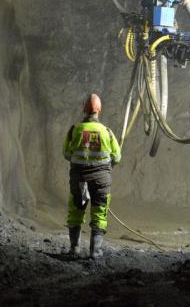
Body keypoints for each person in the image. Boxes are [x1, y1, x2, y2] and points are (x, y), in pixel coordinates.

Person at [62, 93, 121, 258]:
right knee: (100, 212)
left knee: (76, 211)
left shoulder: (75, 130)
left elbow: (66, 154)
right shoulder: (107, 132)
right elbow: (117, 158)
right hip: (101, 180)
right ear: (99, 110)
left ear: (84, 109)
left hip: (80, 180)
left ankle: (74, 249)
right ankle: (95, 251)